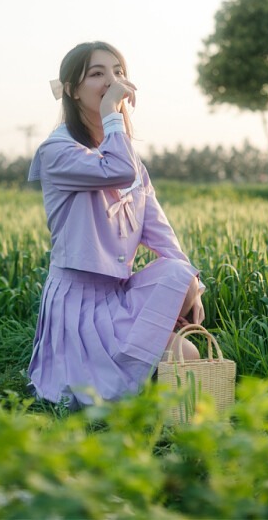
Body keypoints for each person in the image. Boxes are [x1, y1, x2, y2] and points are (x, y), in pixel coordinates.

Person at [26, 41, 206, 407]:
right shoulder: (56, 152)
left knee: (185, 297)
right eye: (97, 74)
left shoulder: (129, 158)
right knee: (177, 360)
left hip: (118, 299)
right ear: (73, 91)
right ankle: (120, 383)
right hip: (78, 307)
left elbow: (160, 233)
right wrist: (113, 112)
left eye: (118, 72)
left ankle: (140, 378)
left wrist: (192, 288)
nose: (112, 81)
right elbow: (118, 170)